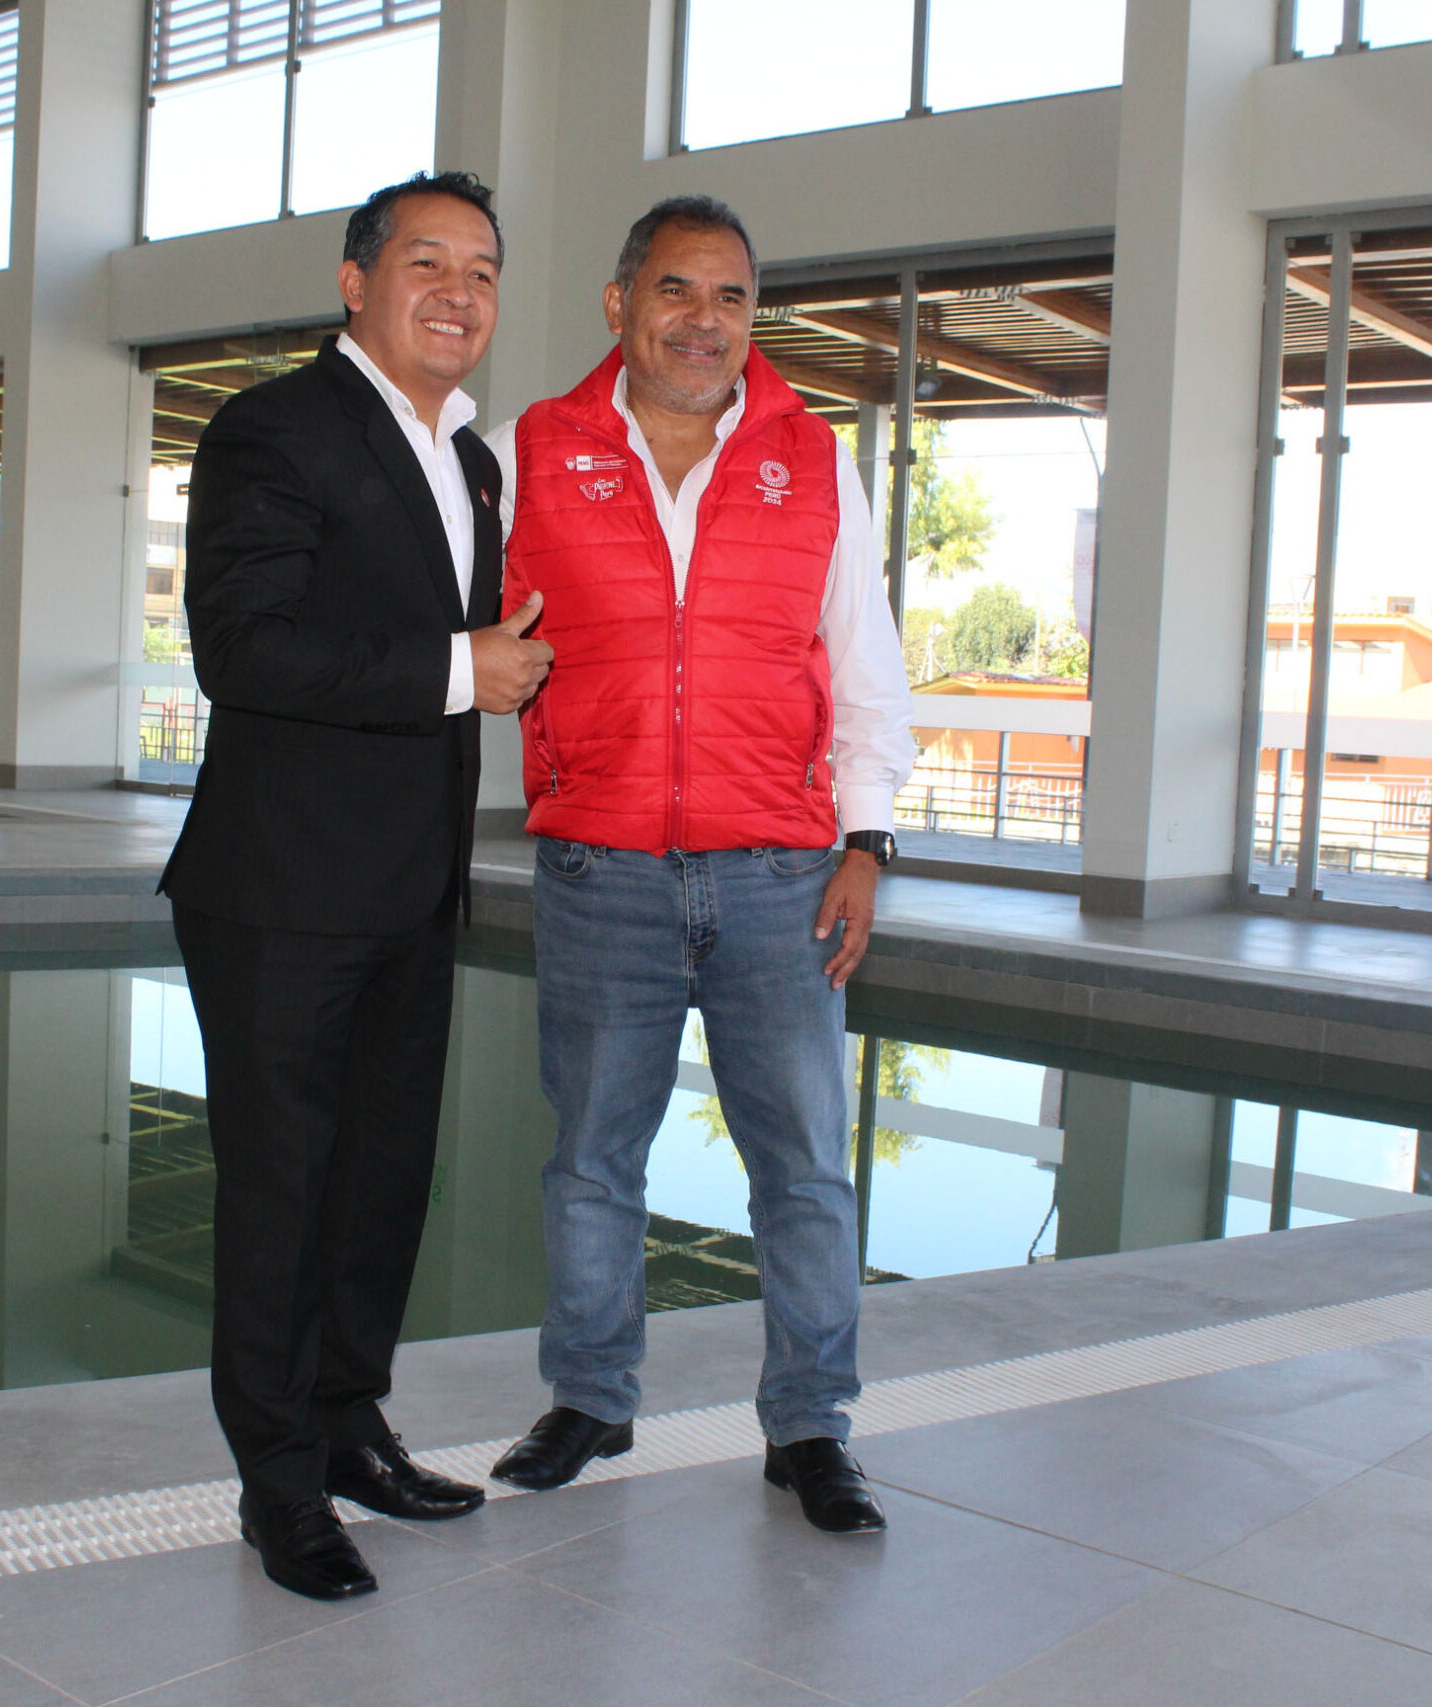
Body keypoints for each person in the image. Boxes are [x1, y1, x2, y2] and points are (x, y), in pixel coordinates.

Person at [484, 196, 915, 1534]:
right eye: (677, 290)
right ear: (621, 303)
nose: (704, 321)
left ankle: (811, 1425)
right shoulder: (529, 452)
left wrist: (866, 840)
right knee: (592, 1160)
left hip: (781, 874)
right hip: (599, 869)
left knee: (804, 1170)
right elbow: (453, 623)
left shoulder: (812, 458)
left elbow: (863, 658)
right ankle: (591, 1397)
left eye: (731, 297)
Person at [157, 171, 551, 1601]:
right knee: (283, 1192)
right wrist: (460, 667)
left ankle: (346, 1426)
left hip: (410, 887)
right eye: (426, 262)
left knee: (381, 1179)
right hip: (280, 889)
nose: (459, 292)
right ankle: (276, 1483)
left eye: (482, 270)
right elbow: (240, 648)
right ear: (355, 281)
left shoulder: (473, 461)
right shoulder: (272, 428)